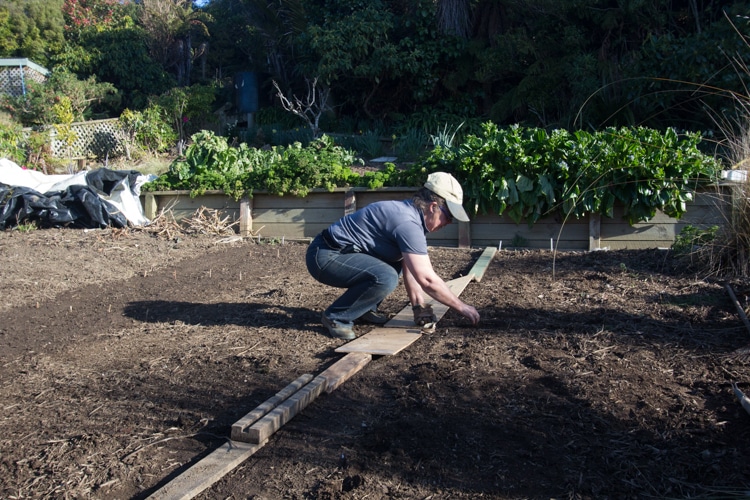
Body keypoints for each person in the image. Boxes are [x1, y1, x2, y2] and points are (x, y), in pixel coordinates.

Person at [305, 171, 481, 340]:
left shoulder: (411, 217)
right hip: (326, 256)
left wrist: (419, 307)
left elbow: (410, 268)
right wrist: (462, 307)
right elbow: (427, 279)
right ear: (433, 207)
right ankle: (336, 317)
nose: (449, 223)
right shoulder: (407, 224)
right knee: (385, 276)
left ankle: (364, 308)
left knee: (392, 265)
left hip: (341, 253)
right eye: (448, 216)